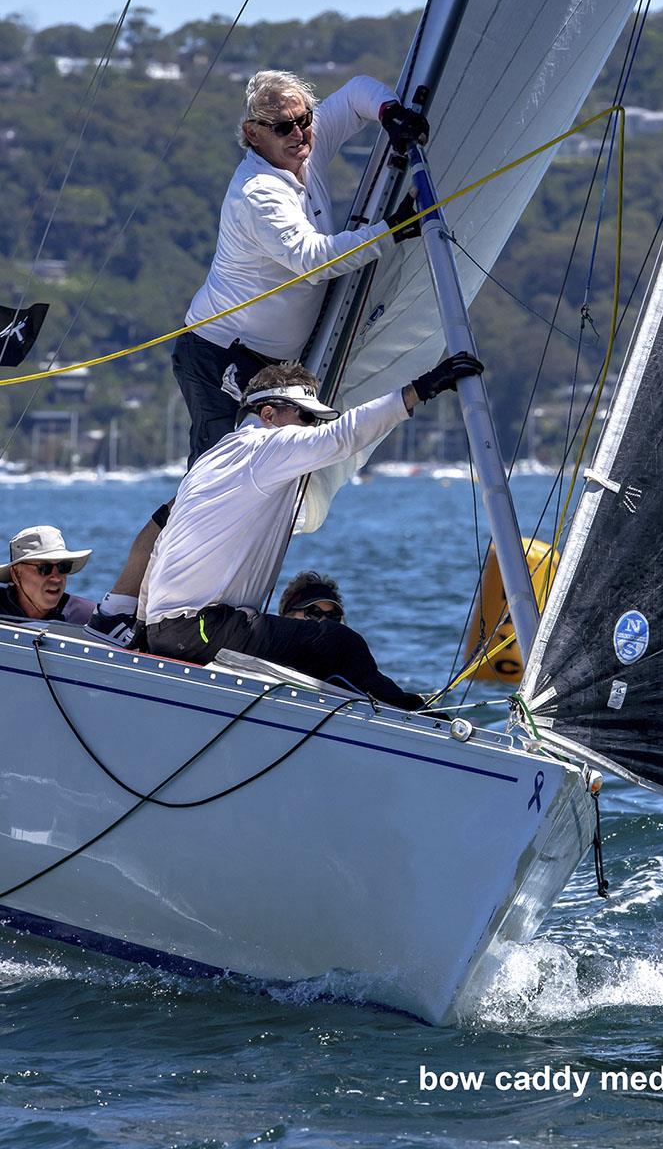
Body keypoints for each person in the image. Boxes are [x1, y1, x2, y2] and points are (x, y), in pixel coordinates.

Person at [87, 71, 427, 644]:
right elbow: (312, 259)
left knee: (230, 494)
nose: (299, 134)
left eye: (303, 121)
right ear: (252, 134)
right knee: (203, 495)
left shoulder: (305, 146)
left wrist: (390, 112)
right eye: (281, 127)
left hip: (272, 371)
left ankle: (174, 613)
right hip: (221, 355)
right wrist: (395, 230)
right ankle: (129, 613)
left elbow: (354, 94)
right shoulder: (258, 191)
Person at [143, 352, 483, 708]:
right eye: (305, 417)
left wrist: (143, 630)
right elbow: (344, 436)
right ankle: (412, 719)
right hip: (202, 628)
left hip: (167, 630)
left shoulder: (210, 461)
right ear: (268, 414)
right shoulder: (263, 447)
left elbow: (160, 549)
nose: (311, 429)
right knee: (341, 644)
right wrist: (421, 389)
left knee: (314, 647)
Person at [277, 570, 423, 708]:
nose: (324, 622)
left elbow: (384, 691)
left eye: (332, 616)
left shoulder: (350, 664)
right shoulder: (266, 657)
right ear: (287, 616)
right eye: (314, 613)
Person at [0, 526, 95, 624]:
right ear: (16, 574)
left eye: (63, 566)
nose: (57, 578)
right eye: (44, 568)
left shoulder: (87, 618)